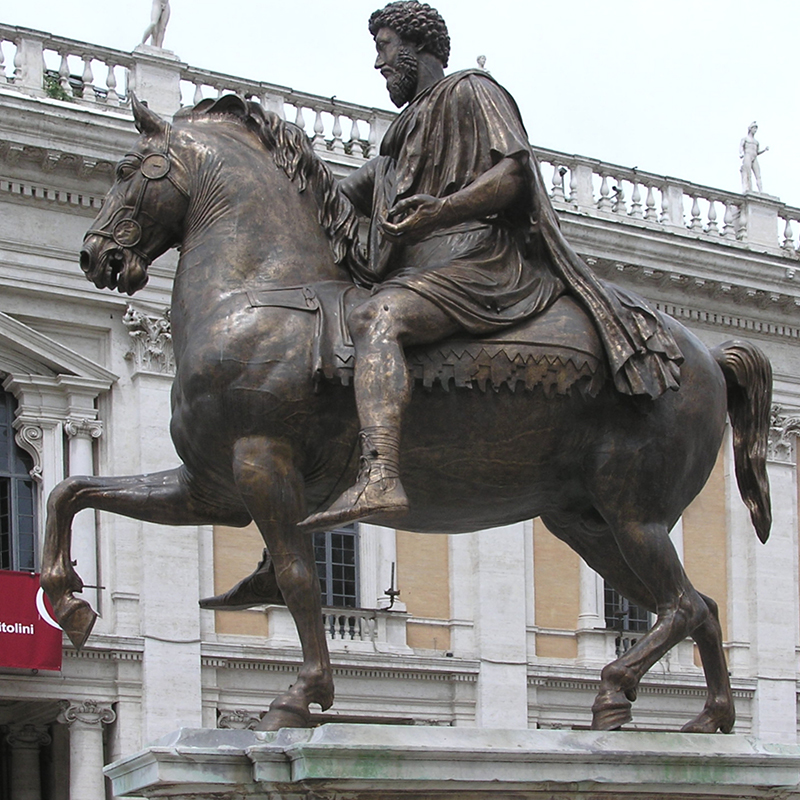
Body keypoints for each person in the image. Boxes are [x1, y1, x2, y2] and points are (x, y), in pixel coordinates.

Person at [201, 1, 684, 610]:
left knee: (379, 317)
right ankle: (282, 551)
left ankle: (381, 473)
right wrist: (263, 163)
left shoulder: (473, 93)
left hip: (479, 261)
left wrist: (441, 211)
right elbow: (326, 199)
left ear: (420, 47)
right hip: (421, 268)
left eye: (385, 46)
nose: (378, 63)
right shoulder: (397, 140)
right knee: (313, 356)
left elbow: (514, 177)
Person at [740, 122, 768, 193]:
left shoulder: (756, 142)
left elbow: (757, 152)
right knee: (748, 173)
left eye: (756, 129)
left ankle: (761, 190)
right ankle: (748, 189)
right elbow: (741, 148)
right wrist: (741, 154)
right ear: (750, 129)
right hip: (747, 156)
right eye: (754, 128)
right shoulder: (745, 139)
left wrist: (764, 150)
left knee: (758, 175)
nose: (755, 130)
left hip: (754, 157)